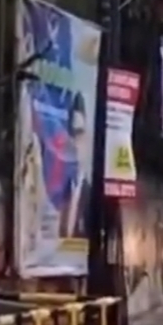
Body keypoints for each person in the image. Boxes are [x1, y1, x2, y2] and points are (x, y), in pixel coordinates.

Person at [60, 92, 93, 240]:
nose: (75, 143)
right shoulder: (57, 192)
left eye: (79, 133)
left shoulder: (91, 197)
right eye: (71, 135)